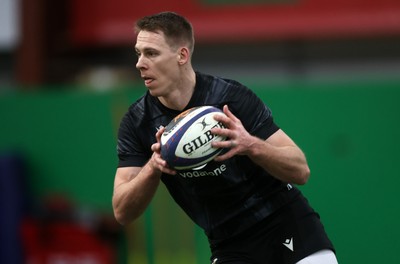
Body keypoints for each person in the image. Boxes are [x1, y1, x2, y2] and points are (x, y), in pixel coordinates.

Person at [112, 11, 338, 264]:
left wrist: (250, 144)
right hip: (229, 245)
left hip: (288, 225)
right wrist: (153, 166)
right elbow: (122, 211)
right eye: (138, 53)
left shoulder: (230, 99)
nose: (140, 63)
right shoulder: (137, 121)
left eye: (151, 53)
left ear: (182, 55)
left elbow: (300, 170)